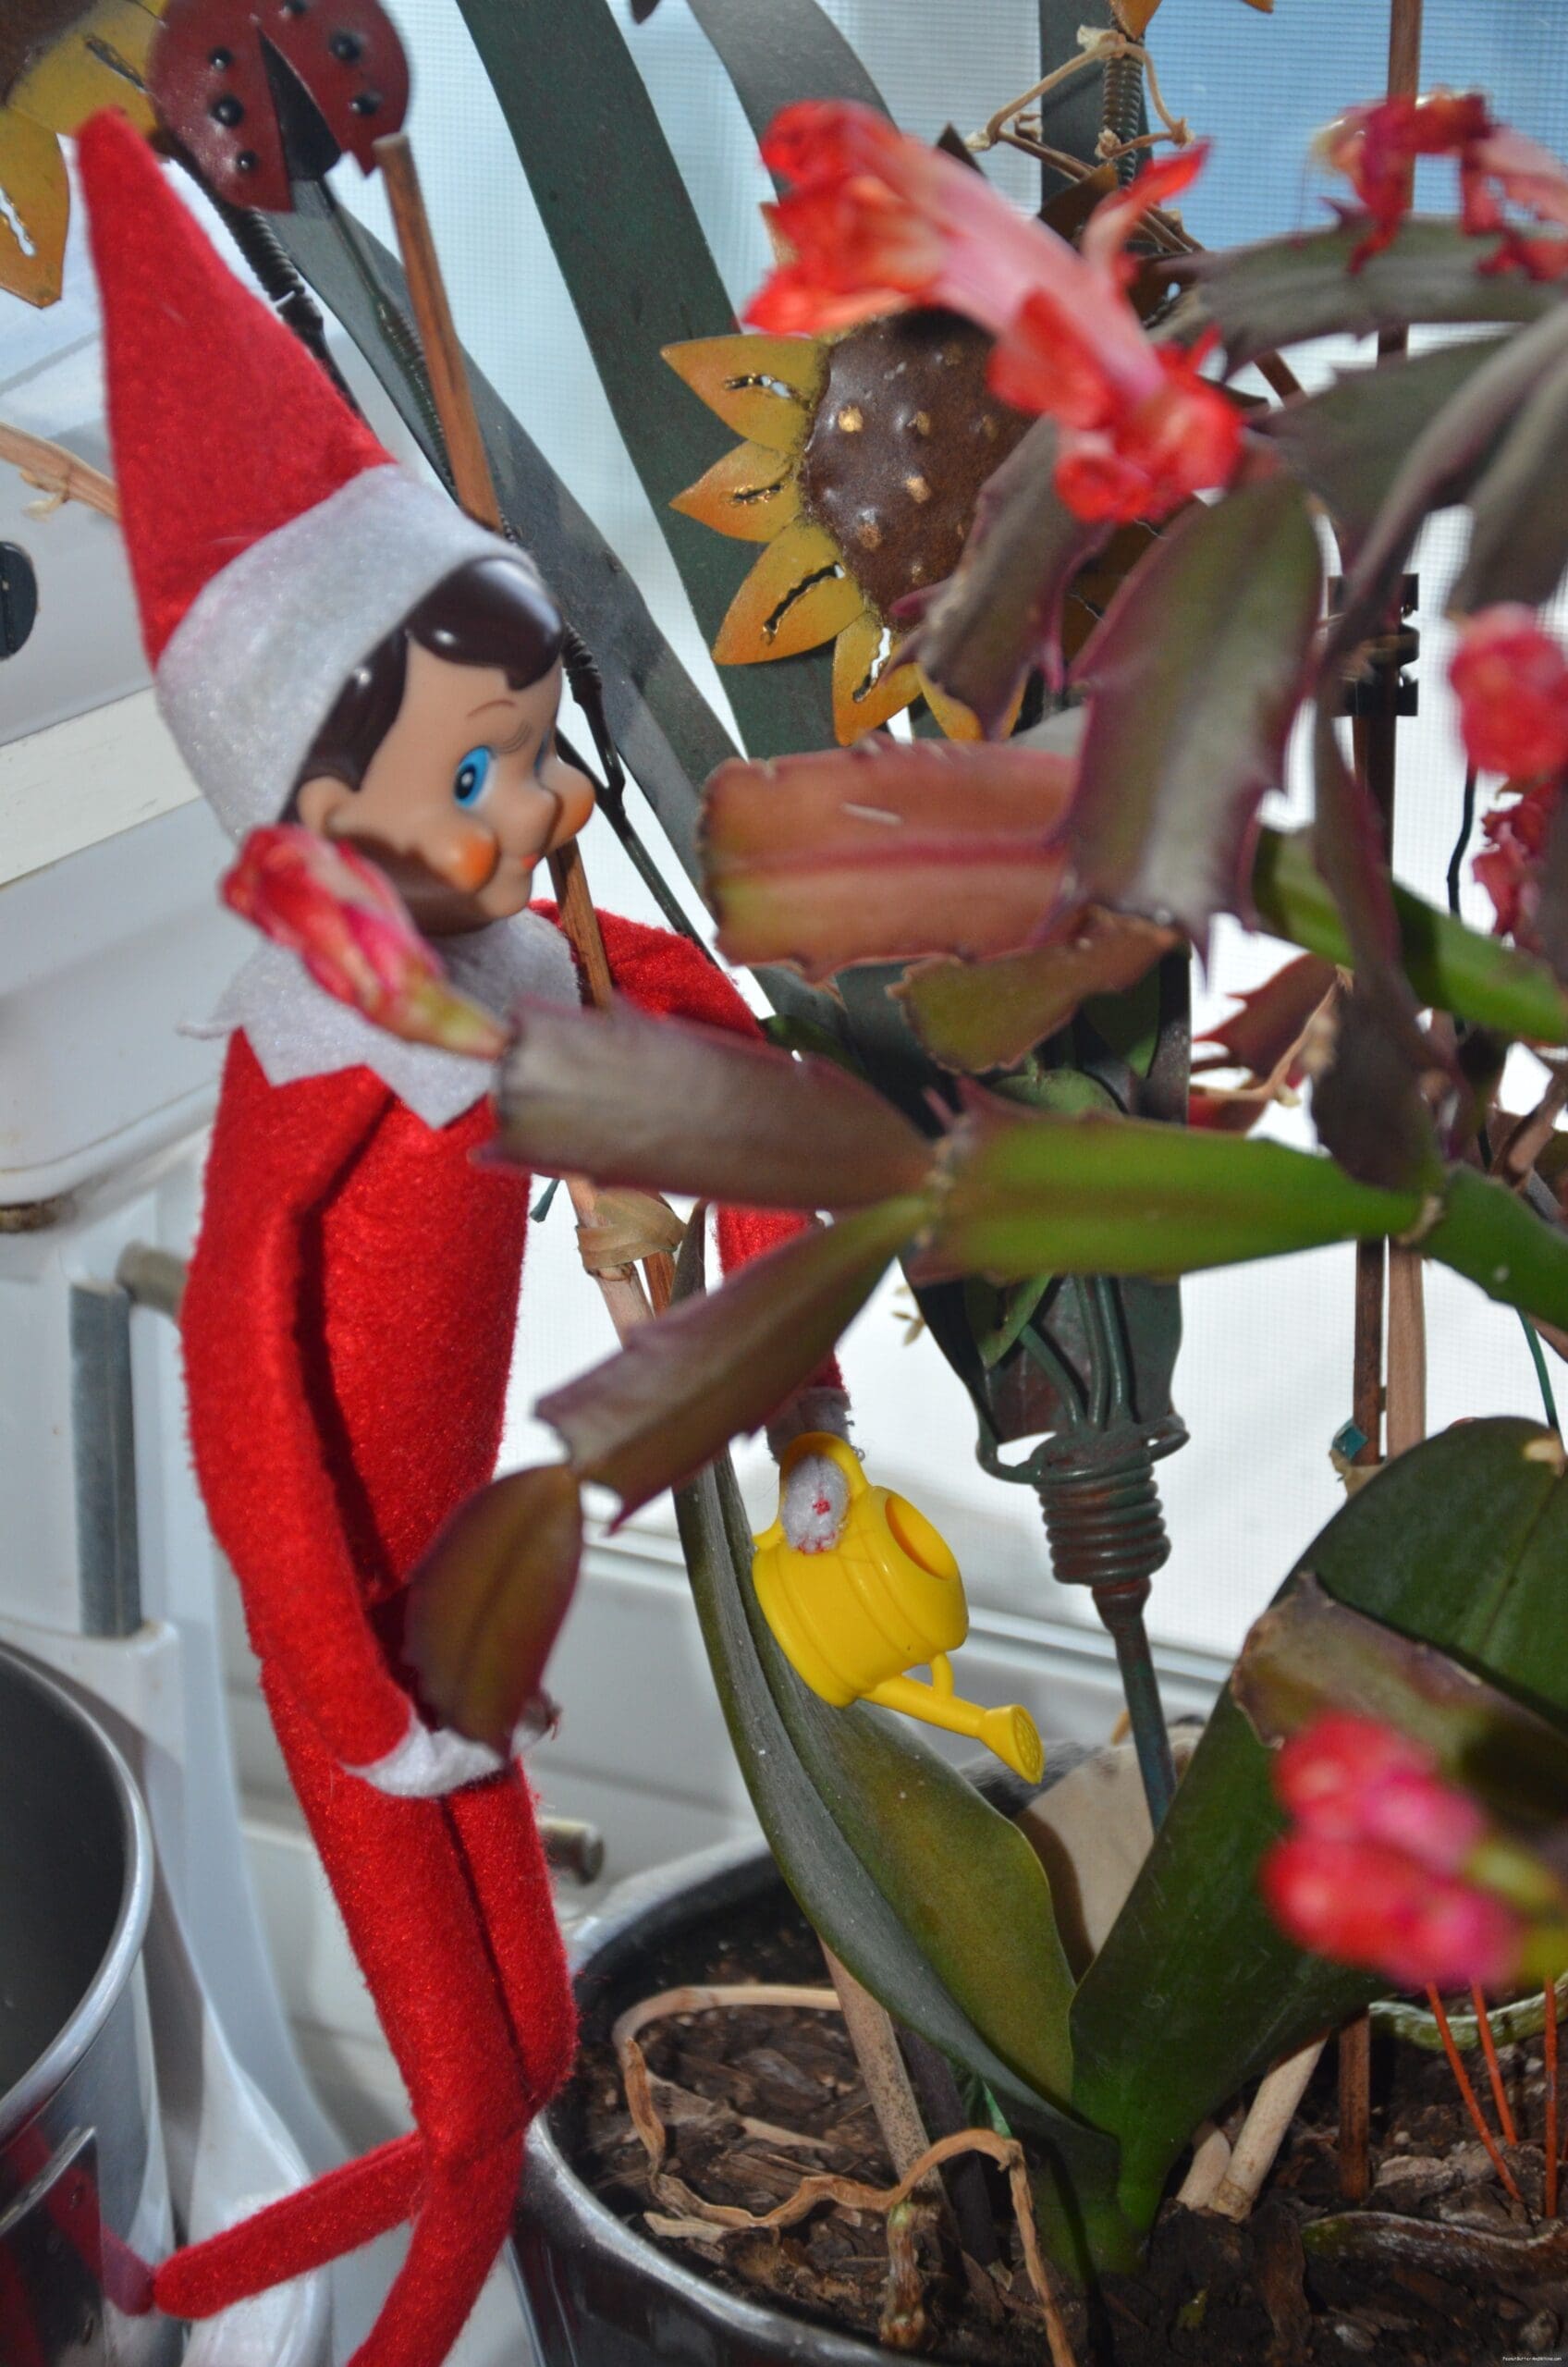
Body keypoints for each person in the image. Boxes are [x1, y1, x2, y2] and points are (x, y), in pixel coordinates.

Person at [78, 108, 849, 2367]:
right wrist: (352, 1701)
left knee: (518, 2068)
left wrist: (793, 1390)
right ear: (318, 811)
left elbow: (746, 1081)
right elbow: (244, 1392)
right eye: (490, 769)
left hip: (467, 1607)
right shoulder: (313, 1061)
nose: (560, 800)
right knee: (475, 2104)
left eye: (542, 742)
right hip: (363, 1645)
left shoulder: (519, 968)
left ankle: (155, 2281)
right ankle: (287, 2314)